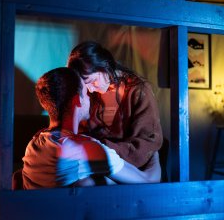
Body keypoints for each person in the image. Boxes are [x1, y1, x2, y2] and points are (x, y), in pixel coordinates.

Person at [22, 67, 160, 189]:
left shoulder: (32, 146)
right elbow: (149, 180)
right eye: (86, 93)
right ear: (77, 100)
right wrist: (153, 150)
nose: (90, 96)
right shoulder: (88, 150)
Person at [67, 41, 163, 170]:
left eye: (93, 81)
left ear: (105, 67)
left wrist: (102, 148)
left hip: (130, 167)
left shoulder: (139, 91)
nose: (90, 90)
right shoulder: (90, 94)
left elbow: (147, 142)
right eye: (85, 86)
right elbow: (81, 133)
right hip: (95, 163)